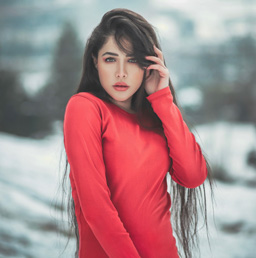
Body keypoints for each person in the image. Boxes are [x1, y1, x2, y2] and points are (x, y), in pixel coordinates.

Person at [62, 8, 213, 258]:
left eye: (132, 60)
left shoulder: (155, 116)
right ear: (94, 61)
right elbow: (97, 210)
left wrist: (163, 99)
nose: (121, 72)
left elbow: (193, 176)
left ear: (148, 65)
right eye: (110, 59)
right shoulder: (86, 108)